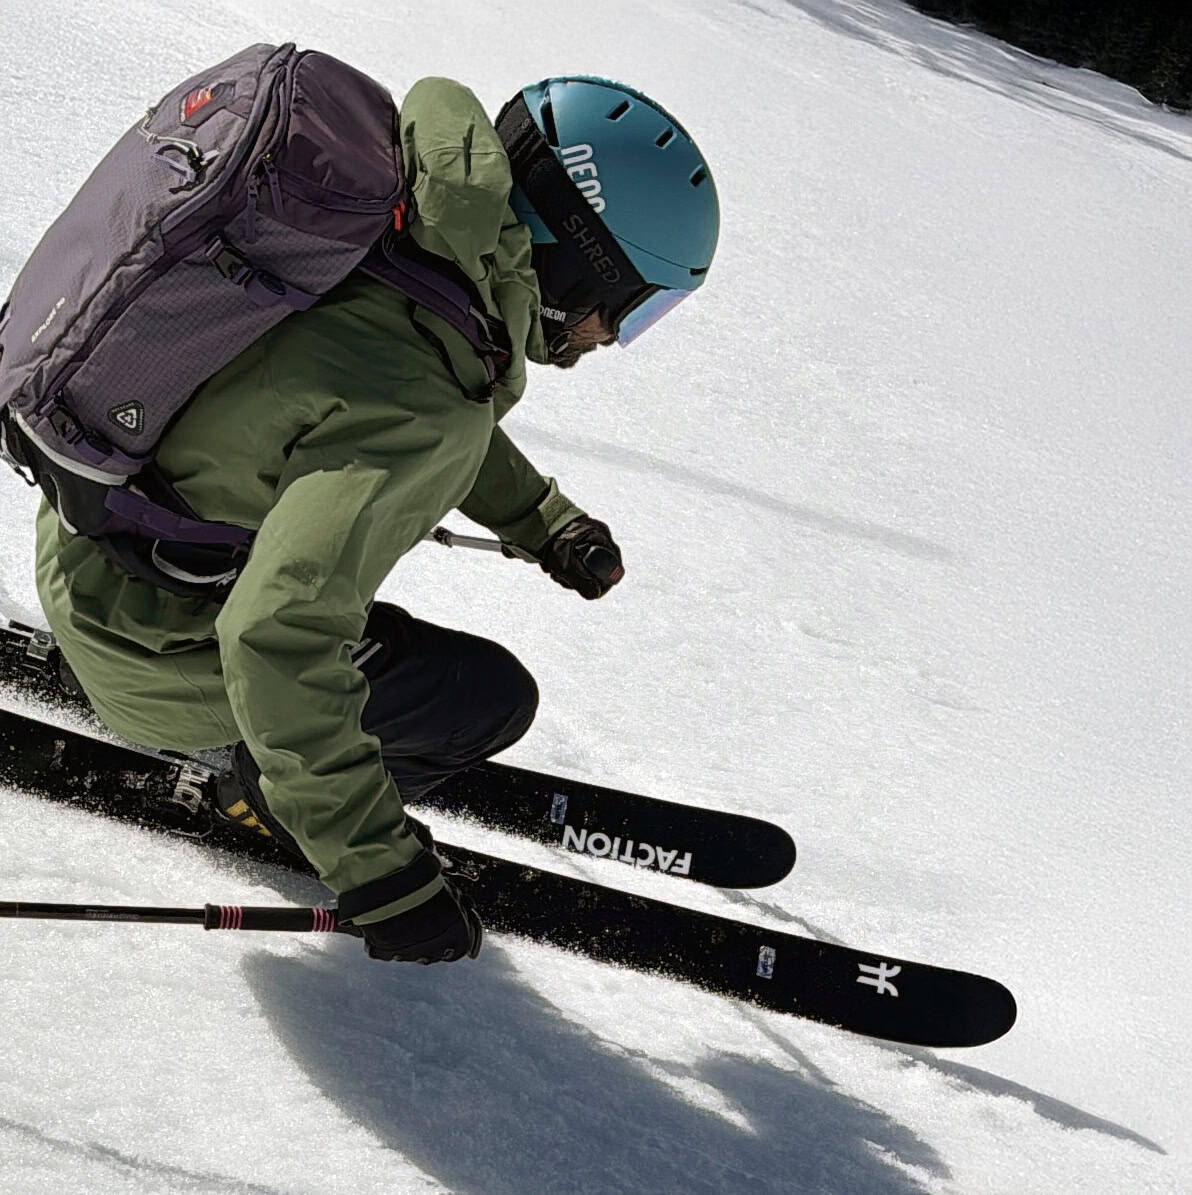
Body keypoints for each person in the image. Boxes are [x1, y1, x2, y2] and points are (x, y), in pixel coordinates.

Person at [34, 73, 720, 965]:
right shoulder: (428, 387)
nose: (604, 340)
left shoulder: (396, 219)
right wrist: (381, 872)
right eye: (627, 308)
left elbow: (360, 391)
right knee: (490, 700)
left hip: (86, 545)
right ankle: (266, 797)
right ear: (578, 256)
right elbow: (277, 640)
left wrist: (543, 518)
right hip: (152, 655)